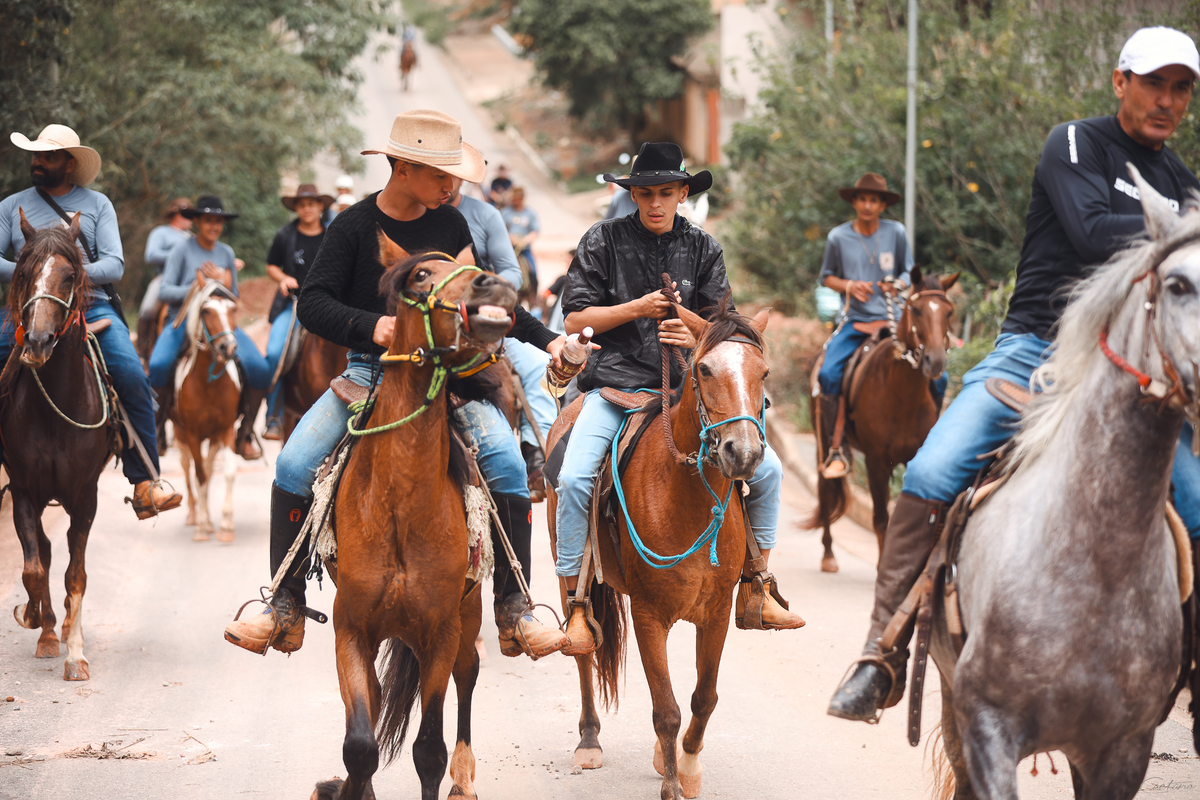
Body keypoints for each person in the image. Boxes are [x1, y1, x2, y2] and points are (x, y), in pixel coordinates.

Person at [828, 25, 1200, 723]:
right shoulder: (1075, 144)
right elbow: (1090, 231)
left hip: (1132, 370)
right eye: (1154, 83)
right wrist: (1181, 232)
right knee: (933, 467)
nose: (1168, 100)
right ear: (1120, 82)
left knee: (1199, 500)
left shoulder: (1182, 180)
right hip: (1035, 350)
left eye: (1181, 89)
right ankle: (881, 653)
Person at [223, 109, 571, 659]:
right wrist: (373, 326)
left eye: (453, 175)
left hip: (449, 375)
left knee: (507, 463)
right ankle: (284, 604)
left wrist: (549, 340)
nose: (451, 186)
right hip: (370, 372)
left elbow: (479, 297)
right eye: (440, 174)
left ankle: (514, 608)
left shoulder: (452, 225)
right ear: (403, 168)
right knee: (292, 463)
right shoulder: (352, 226)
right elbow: (312, 302)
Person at [556, 142, 806, 653]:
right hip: (619, 387)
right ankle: (577, 603)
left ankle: (757, 586)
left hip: (693, 392)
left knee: (770, 472)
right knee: (574, 478)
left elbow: (723, 330)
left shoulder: (704, 248)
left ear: (682, 194)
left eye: (666, 193)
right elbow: (576, 319)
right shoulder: (602, 240)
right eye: (646, 193)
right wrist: (636, 308)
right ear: (632, 194)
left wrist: (694, 338)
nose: (656, 203)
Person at [0, 124, 182, 518]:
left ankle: (146, 481)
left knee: (131, 375)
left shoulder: (98, 204)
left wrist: (67, 273)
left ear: (69, 163)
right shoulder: (10, 206)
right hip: (27, 307)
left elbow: (115, 264)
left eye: (48, 156)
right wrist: (36, 272)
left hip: (90, 305)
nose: (37, 161)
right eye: (36, 155)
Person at [814, 172, 942, 479]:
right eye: (863, 199)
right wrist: (849, 286)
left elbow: (909, 271)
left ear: (883, 205)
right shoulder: (838, 237)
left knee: (939, 374)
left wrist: (897, 284)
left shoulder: (895, 232)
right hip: (856, 322)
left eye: (874, 200)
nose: (868, 205)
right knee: (828, 374)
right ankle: (837, 447)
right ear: (854, 202)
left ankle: (936, 441)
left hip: (894, 320)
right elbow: (826, 277)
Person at [445, 176, 559, 494]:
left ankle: (535, 453)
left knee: (537, 366)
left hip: (484, 321)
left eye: (451, 174)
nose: (445, 182)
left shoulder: (485, 214)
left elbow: (511, 271)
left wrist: (489, 292)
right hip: (425, 331)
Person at [146, 195, 272, 460]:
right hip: (183, 319)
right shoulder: (181, 250)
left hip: (220, 322)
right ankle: (156, 432)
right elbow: (165, 290)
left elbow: (234, 295)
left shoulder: (226, 252)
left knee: (260, 369)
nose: (213, 226)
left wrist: (220, 283)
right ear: (197, 222)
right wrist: (198, 287)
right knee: (158, 365)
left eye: (218, 221)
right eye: (208, 221)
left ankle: (245, 434)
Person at [260, 184, 335, 440]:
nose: (307, 209)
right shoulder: (285, 235)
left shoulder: (333, 235)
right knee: (274, 353)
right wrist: (283, 278)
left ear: (320, 206)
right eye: (301, 205)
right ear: (296, 208)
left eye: (311, 203)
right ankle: (274, 416)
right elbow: (271, 265)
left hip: (326, 304)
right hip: (293, 304)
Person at [502, 186, 540, 297]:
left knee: (533, 272)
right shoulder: (506, 212)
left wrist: (525, 240)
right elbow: (500, 230)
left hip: (524, 250)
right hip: (509, 250)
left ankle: (533, 298)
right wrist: (510, 237)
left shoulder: (530, 213)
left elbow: (535, 231)